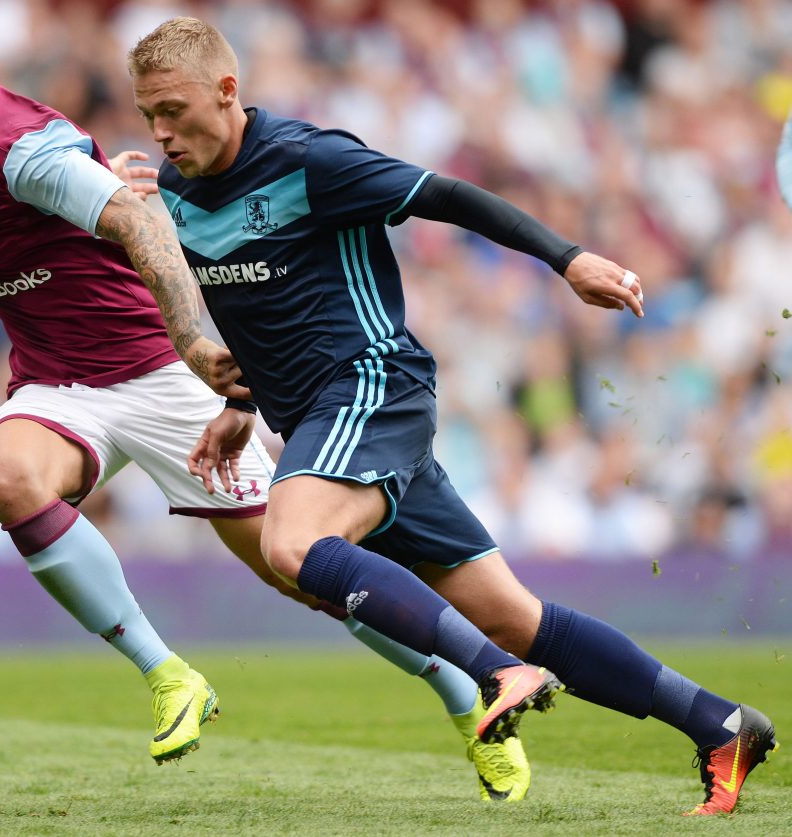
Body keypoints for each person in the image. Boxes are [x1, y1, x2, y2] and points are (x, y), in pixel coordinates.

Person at [127, 16, 778, 815]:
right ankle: (720, 721)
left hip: (372, 386)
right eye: (146, 114)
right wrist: (238, 402)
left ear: (227, 92)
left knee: (291, 540)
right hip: (332, 420)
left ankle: (494, 673)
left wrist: (567, 258)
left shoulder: (310, 160)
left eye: (173, 109)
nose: (160, 132)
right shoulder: (180, 194)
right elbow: (266, 307)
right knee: (515, 615)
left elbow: (449, 195)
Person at [0, 7, 530, 799]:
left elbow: (138, 223)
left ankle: (464, 694)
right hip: (60, 386)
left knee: (305, 571)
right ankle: (170, 677)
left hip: (162, 374)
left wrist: (193, 343)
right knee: (10, 478)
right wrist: (89, 170)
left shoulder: (23, 148)